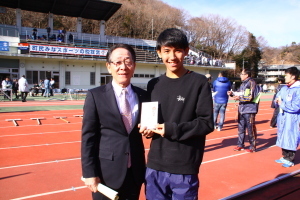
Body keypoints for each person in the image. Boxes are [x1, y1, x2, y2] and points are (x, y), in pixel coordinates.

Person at [139, 28, 214, 200]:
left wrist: (171, 129)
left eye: (178, 50)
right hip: (155, 165)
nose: (172, 57)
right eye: (166, 51)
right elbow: (153, 120)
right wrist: (148, 129)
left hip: (184, 167)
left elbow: (206, 122)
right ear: (159, 53)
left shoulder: (198, 82)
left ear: (186, 52)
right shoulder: (153, 84)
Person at [81, 44, 148, 200]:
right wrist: (89, 173)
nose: (123, 67)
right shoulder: (95, 96)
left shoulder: (144, 95)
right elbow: (88, 138)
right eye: (117, 62)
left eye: (128, 62)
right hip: (106, 174)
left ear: (134, 66)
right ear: (109, 67)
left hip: (135, 173)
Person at [228, 68, 259, 153]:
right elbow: (239, 93)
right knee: (241, 128)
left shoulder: (252, 83)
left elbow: (251, 96)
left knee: (250, 128)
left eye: (242, 74)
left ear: (246, 75)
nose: (240, 76)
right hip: (241, 109)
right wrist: (232, 94)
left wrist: (240, 98)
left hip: (249, 109)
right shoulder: (243, 84)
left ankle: (252, 146)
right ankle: (240, 144)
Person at [274, 67, 300, 168]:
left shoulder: (298, 90)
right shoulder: (284, 88)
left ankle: (290, 158)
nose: (285, 77)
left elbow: (296, 106)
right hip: (282, 117)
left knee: (291, 136)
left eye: (287, 75)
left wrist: (282, 104)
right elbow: (278, 98)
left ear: (293, 76)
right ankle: (284, 156)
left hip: (292, 118)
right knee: (283, 135)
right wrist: (276, 101)